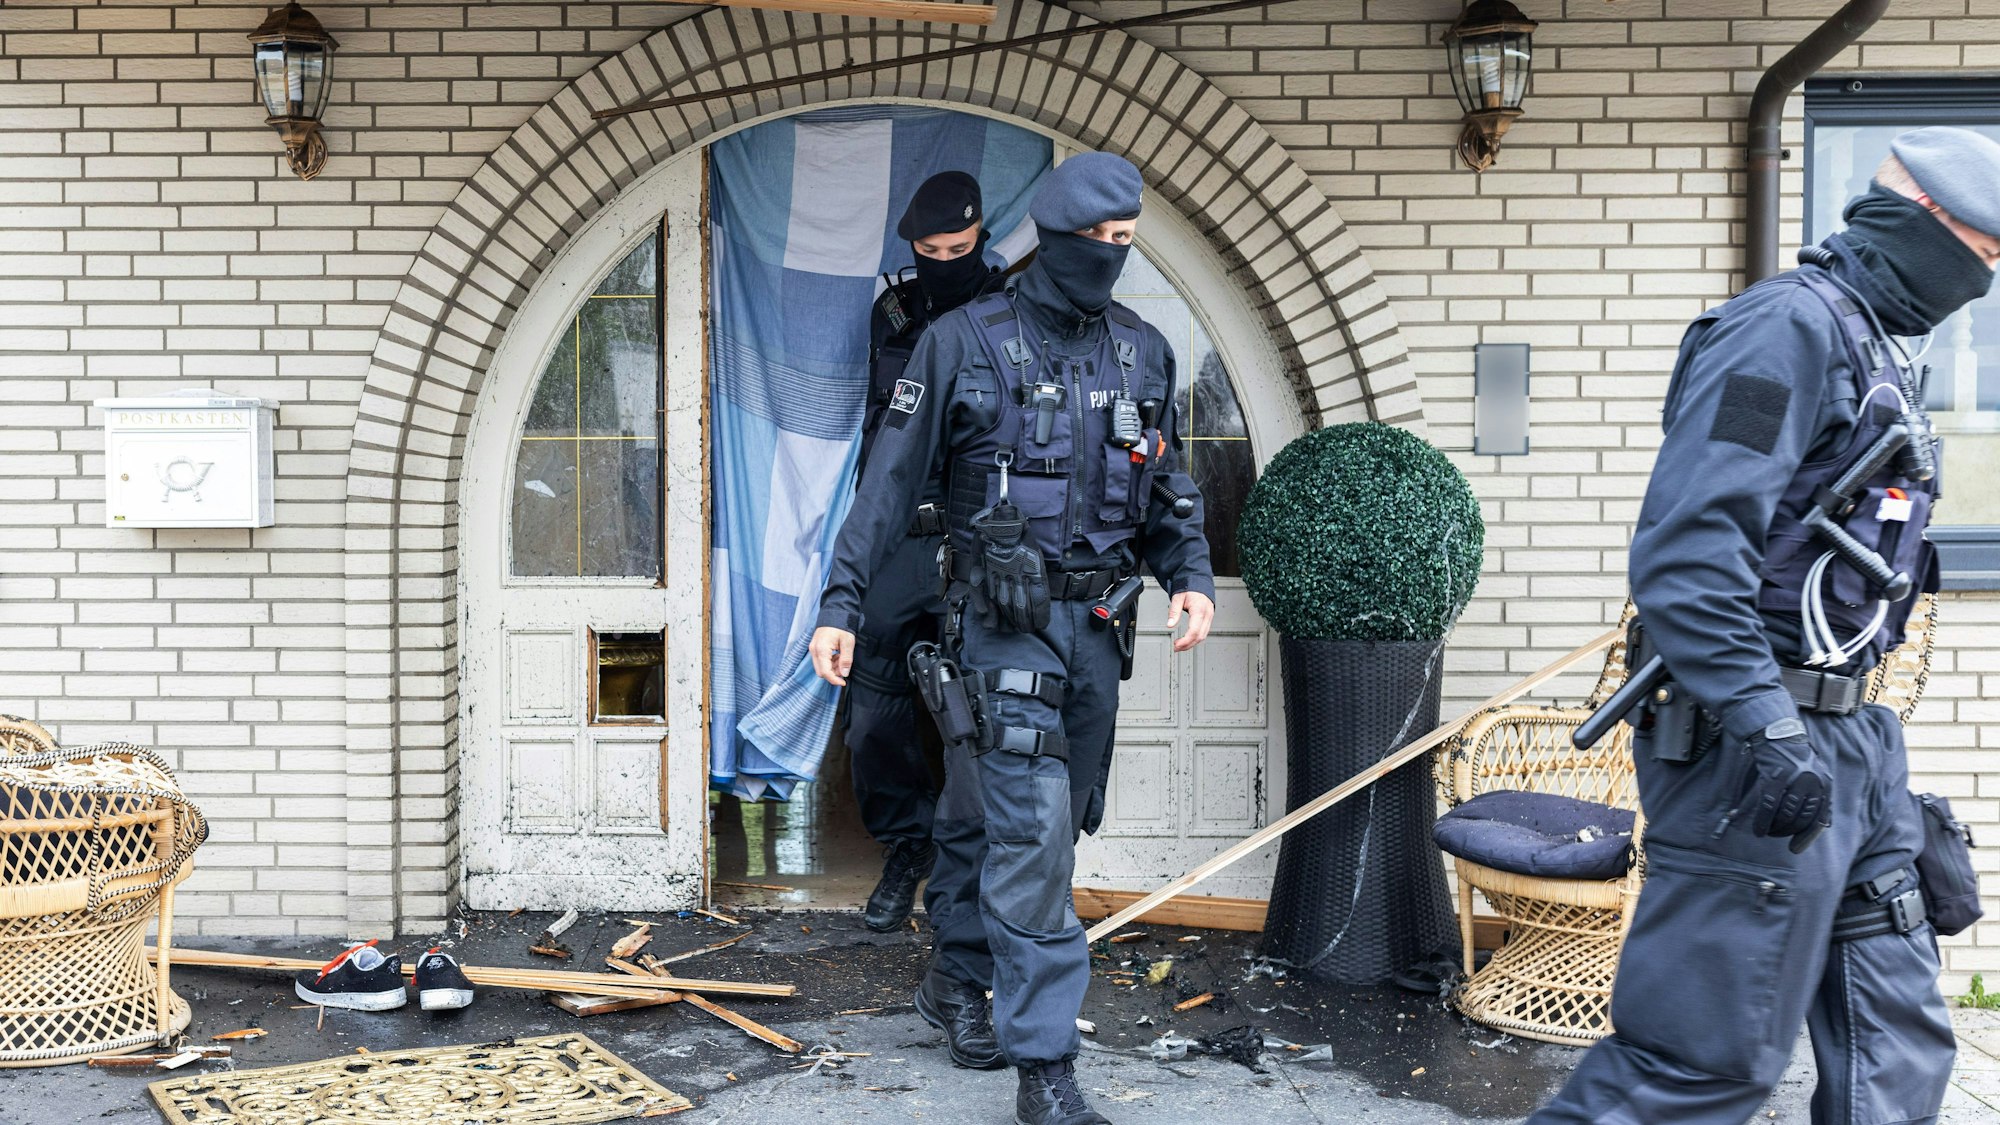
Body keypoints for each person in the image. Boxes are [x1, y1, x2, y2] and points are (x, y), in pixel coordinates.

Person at [1530, 126, 2000, 1124]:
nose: (1984, 276)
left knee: (1893, 1033)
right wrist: (1762, 721)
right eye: (1979, 251)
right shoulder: (1778, 332)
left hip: (1851, 739)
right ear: (1916, 222)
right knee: (1700, 1059)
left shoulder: (1873, 339)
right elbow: (1688, 553)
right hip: (1754, 749)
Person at [810, 151, 1217, 1125]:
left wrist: (1190, 575)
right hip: (998, 631)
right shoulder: (959, 342)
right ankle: (1045, 1072)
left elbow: (1163, 487)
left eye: (1127, 243)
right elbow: (886, 484)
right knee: (1027, 835)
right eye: (1101, 242)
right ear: (1060, 236)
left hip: (1094, 634)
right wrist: (842, 600)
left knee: (1045, 829)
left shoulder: (1142, 351)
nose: (1114, 258)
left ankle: (958, 983)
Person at [845, 171, 1008, 934]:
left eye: (960, 248)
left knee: (978, 710)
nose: (945, 260)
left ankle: (965, 864)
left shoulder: (1015, 311)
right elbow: (887, 430)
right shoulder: (896, 312)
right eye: (930, 249)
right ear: (911, 244)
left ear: (983, 235)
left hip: (982, 543)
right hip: (903, 537)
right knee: (875, 714)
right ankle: (905, 847)